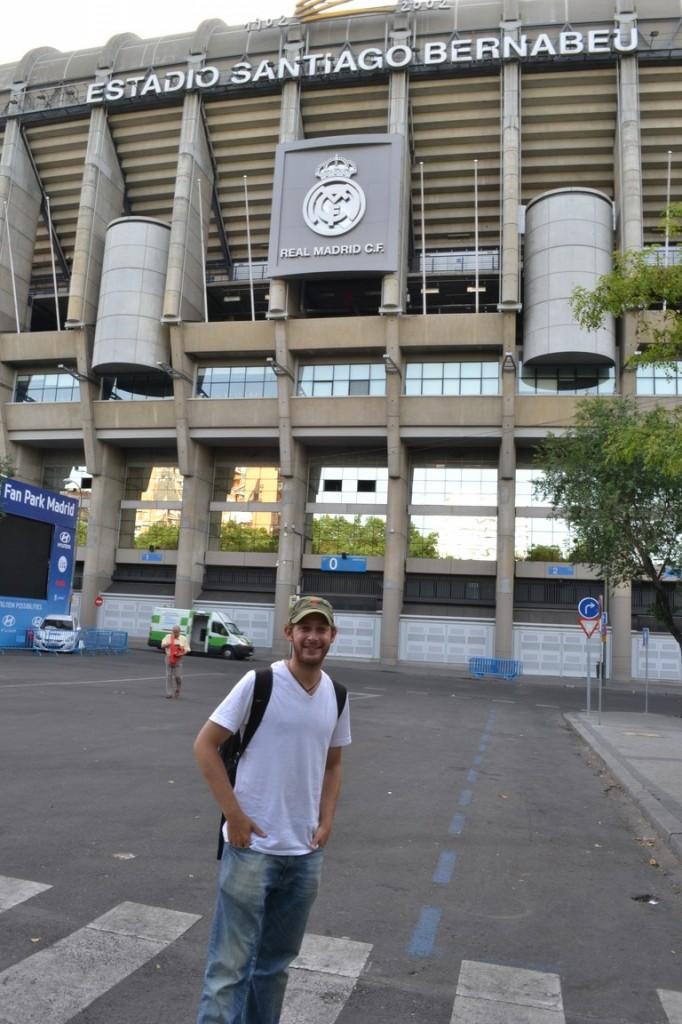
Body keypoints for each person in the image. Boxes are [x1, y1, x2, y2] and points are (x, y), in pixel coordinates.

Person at [193, 595, 351, 1024]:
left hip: (303, 855)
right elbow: (205, 746)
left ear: (332, 636)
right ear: (290, 633)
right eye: (305, 628)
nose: (313, 637)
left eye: (321, 630)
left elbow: (333, 763)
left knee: (274, 968)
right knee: (228, 970)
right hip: (250, 851)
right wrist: (236, 817)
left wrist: (327, 820)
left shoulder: (336, 695)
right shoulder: (259, 683)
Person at [160, 623, 190, 699]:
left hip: (178, 659)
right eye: (173, 631)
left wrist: (182, 652)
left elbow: (187, 649)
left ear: (179, 632)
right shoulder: (168, 637)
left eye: (176, 632)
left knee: (178, 676)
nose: (175, 633)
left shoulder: (183, 638)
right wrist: (169, 644)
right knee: (169, 675)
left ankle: (178, 688)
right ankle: (169, 693)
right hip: (169, 657)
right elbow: (162, 645)